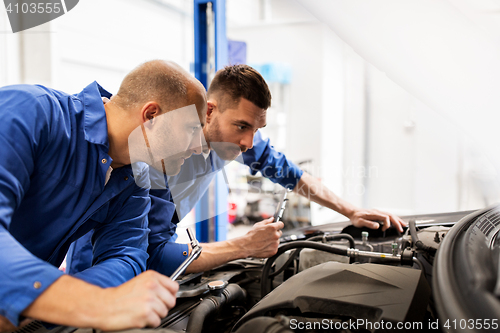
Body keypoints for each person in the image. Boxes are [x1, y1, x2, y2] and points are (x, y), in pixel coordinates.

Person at [68, 64, 406, 278]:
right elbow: (152, 255)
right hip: (101, 261)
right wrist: (244, 245)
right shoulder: (159, 152)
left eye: (256, 130)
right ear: (210, 112)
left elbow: (292, 175)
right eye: (242, 126)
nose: (248, 142)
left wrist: (350, 210)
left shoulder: (235, 140)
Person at [0, 60, 207, 332]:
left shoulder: (133, 179)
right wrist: (86, 300)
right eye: (193, 129)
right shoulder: (30, 112)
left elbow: (127, 255)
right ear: (152, 116)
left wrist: (54, 304)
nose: (200, 147)